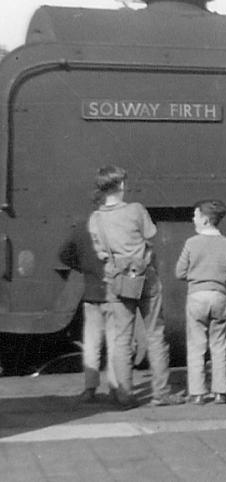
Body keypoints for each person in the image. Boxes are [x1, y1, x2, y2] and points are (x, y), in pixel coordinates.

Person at [88, 165, 182, 407]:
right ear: (120, 185)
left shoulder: (96, 219)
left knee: (121, 338)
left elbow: (100, 253)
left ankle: (124, 394)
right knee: (155, 334)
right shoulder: (135, 210)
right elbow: (150, 233)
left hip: (117, 281)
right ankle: (161, 393)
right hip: (144, 277)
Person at [175, 199, 226, 405]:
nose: (193, 219)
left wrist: (197, 276)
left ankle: (197, 393)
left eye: (195, 215)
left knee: (196, 345)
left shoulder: (191, 243)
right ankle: (221, 392)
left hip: (196, 297)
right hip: (219, 296)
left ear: (204, 220)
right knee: (219, 344)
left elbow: (179, 272)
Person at [61, 210, 117, 402]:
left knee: (92, 343)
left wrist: (83, 268)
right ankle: (116, 388)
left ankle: (90, 388)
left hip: (91, 293)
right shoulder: (118, 226)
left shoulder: (82, 229)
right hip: (114, 294)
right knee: (115, 343)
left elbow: (64, 254)